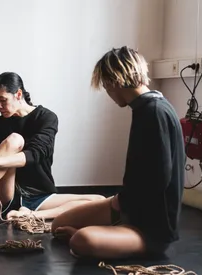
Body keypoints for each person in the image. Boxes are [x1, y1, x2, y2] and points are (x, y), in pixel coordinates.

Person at [51, 46, 185, 259]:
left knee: (80, 240)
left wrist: (122, 207)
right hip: (128, 206)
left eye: (105, 86)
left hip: (152, 229)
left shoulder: (154, 112)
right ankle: (110, 232)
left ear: (114, 81)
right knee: (58, 224)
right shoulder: (145, 107)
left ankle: (107, 237)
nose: (108, 93)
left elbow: (159, 179)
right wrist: (119, 202)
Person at [0, 72, 105, 230]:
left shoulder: (46, 118)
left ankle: (29, 215)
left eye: (3, 100)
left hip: (38, 196)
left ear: (18, 94)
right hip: (5, 199)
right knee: (15, 140)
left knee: (98, 201)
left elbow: (35, 154)